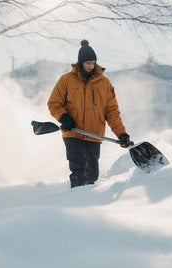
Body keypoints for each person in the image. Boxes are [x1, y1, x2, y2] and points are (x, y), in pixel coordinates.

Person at [48, 39, 133, 188]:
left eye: (93, 63)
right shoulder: (66, 80)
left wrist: (122, 134)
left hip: (94, 135)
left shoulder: (104, 83)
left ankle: (88, 204)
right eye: (88, 63)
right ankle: (75, 203)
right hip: (73, 133)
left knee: (92, 175)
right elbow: (54, 103)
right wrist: (63, 117)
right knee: (79, 173)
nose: (91, 66)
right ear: (81, 63)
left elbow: (112, 112)